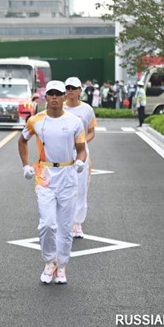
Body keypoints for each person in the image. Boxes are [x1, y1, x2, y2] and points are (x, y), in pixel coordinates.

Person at [18, 80, 87, 285]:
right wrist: (25, 165)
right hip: (45, 175)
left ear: (65, 97)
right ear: (45, 97)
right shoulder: (36, 121)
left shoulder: (74, 121)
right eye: (51, 94)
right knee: (47, 224)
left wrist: (80, 162)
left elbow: (81, 147)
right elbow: (22, 140)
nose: (55, 97)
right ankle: (50, 262)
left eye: (58, 94)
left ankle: (62, 266)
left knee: (65, 227)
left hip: (68, 174)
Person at [63, 77, 97, 239]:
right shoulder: (59, 108)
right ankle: (63, 221)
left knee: (81, 188)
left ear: (79, 91)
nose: (70, 90)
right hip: (62, 153)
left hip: (81, 153)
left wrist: (82, 142)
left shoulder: (87, 110)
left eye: (73, 88)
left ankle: (77, 224)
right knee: (62, 187)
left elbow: (91, 131)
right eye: (68, 87)